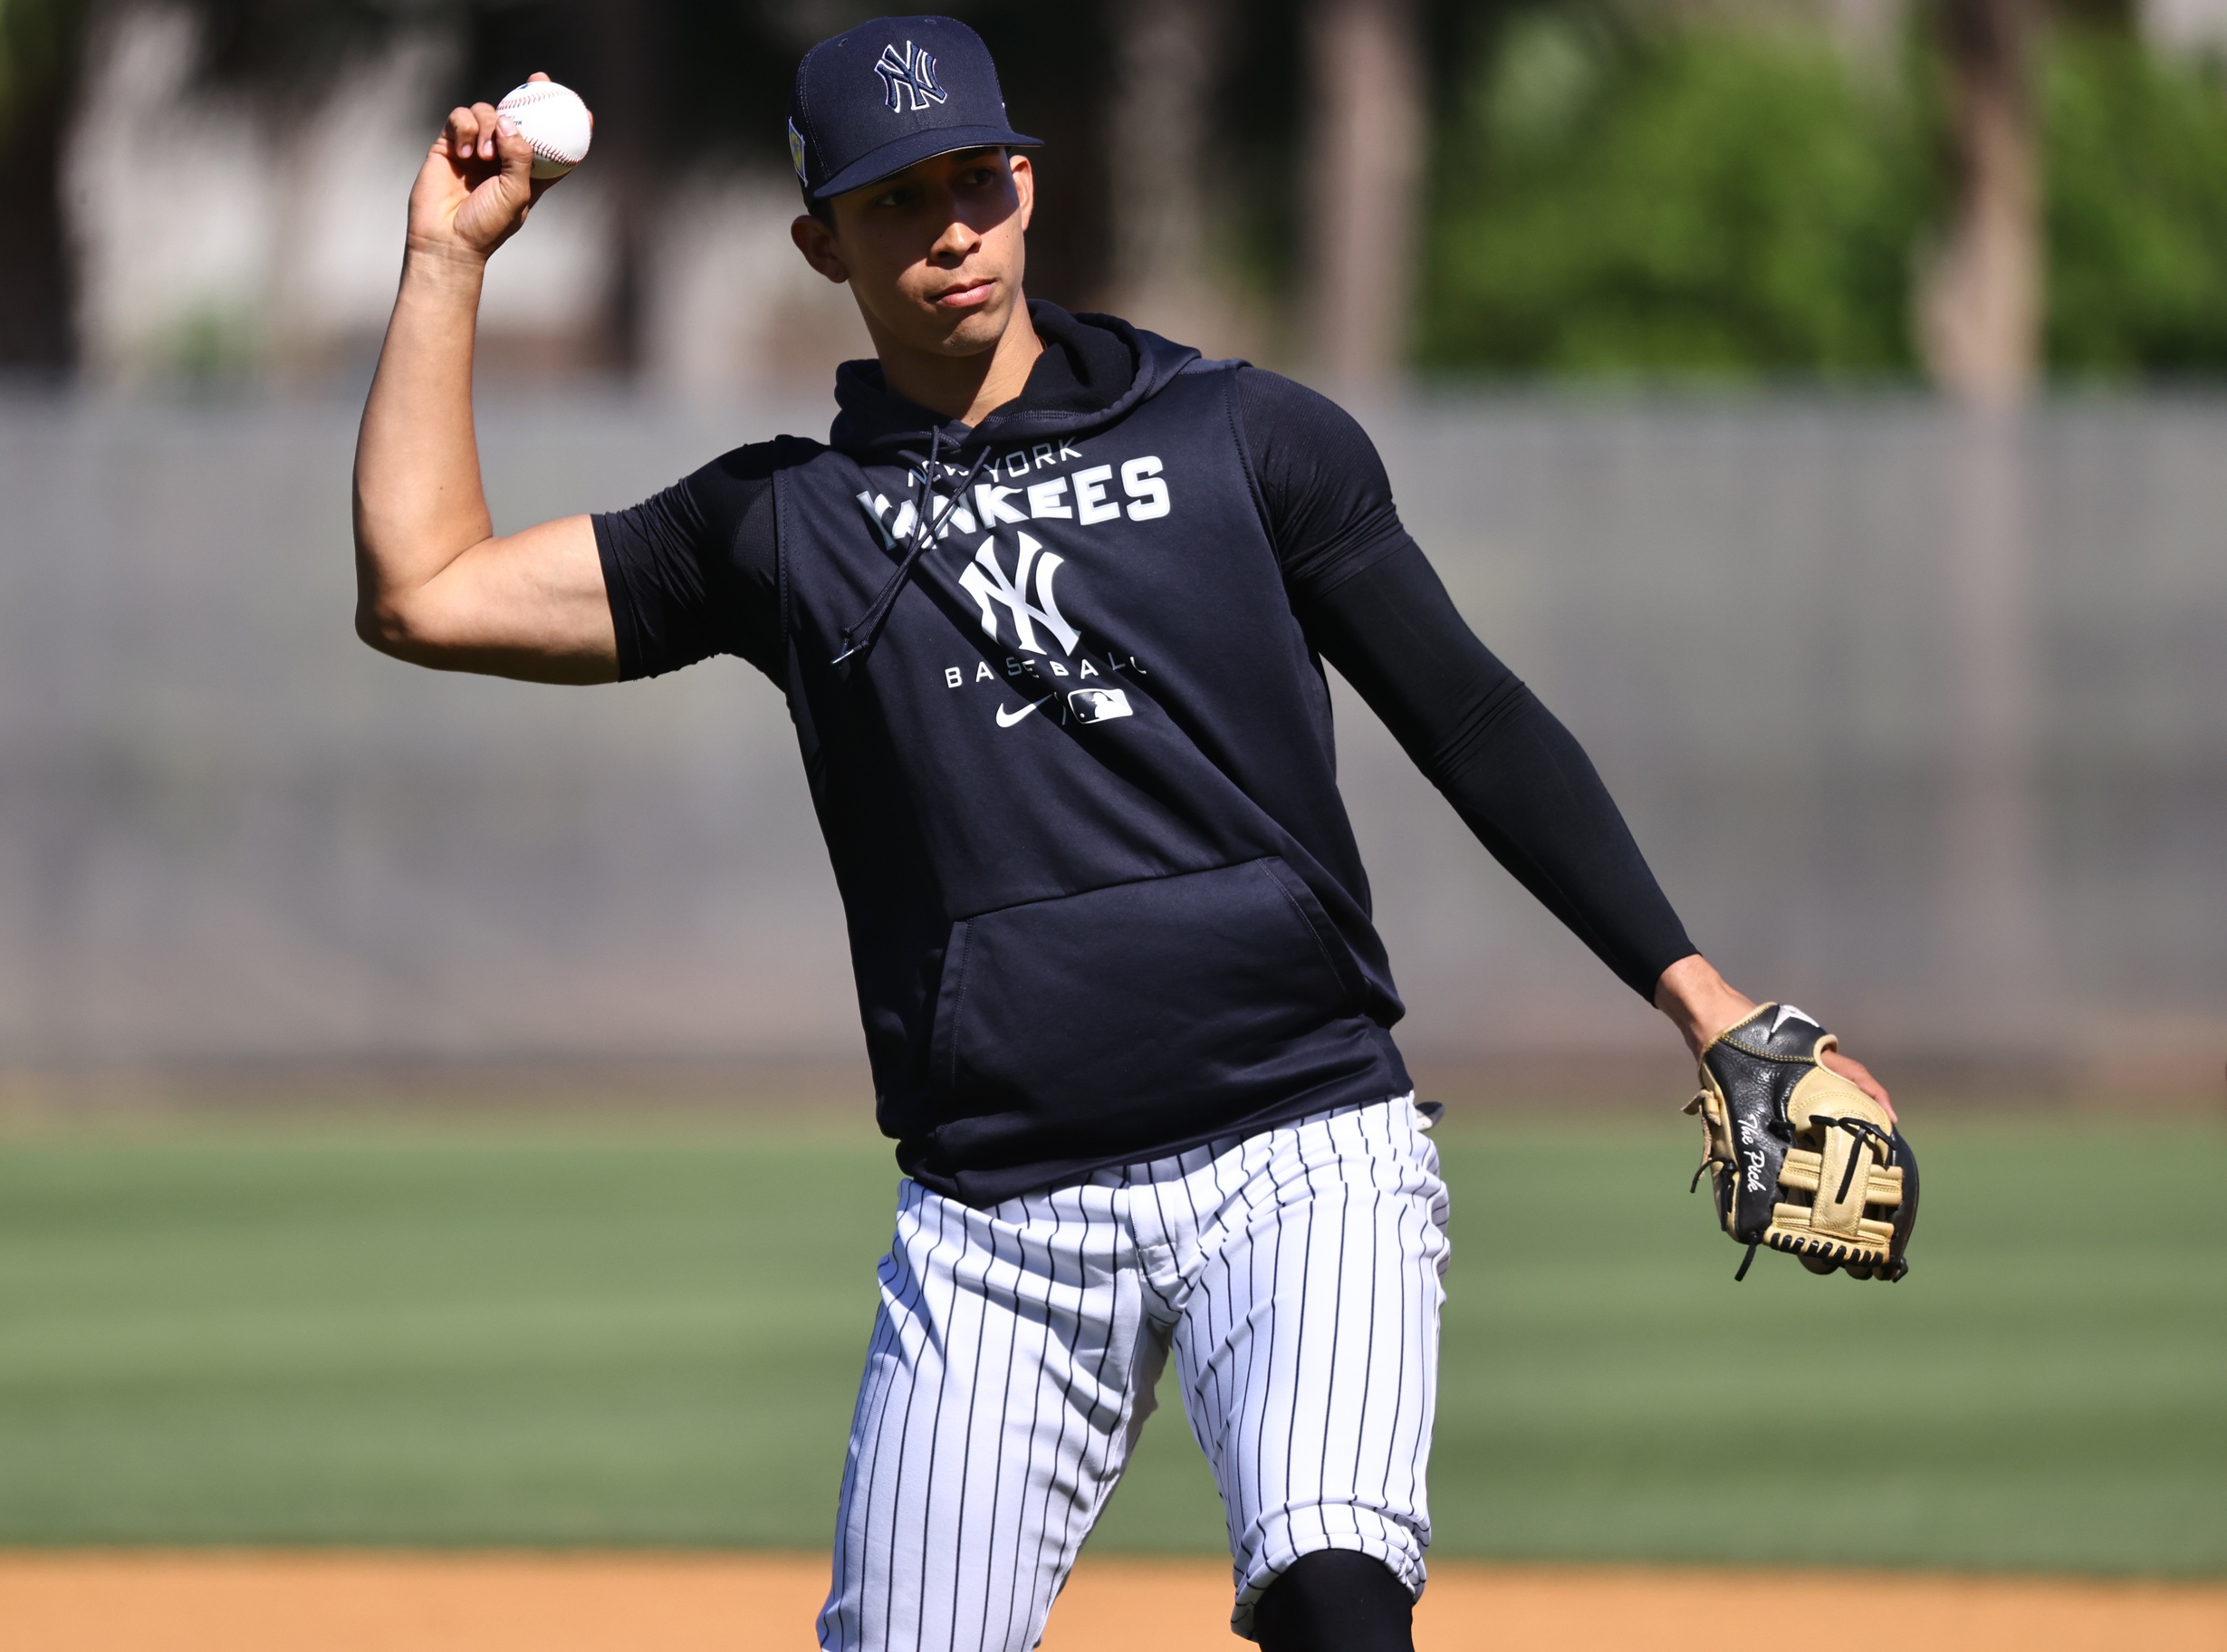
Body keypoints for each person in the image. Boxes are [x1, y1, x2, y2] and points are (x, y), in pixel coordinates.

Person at [350, 17, 1896, 1651]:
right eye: (893, 202)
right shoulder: (779, 527)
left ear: (1026, 182)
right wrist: (446, 259)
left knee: (1337, 1606)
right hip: (995, 1216)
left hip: (1301, 1155)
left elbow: (1474, 720)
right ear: (822, 243)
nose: (949, 228)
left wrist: (1706, 999)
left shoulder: (1244, 438)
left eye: (972, 181)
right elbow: (423, 591)